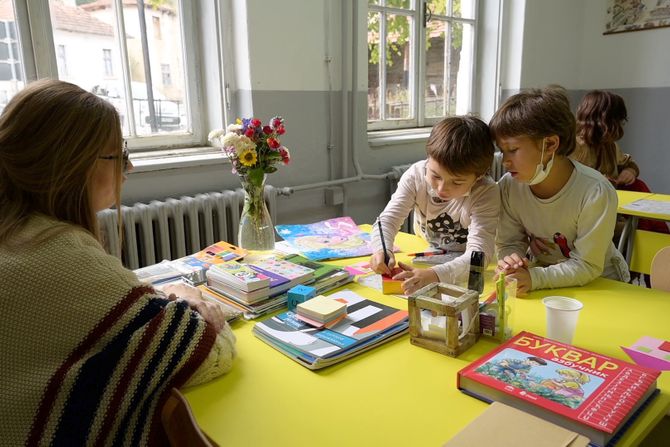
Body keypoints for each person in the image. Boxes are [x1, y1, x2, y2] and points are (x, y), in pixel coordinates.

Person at [0, 79, 236, 445]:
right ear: (72, 164)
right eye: (119, 155)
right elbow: (209, 353)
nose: (130, 167)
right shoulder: (60, 253)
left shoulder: (15, 234)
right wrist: (189, 298)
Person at [491, 87, 630, 297]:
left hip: (601, 287)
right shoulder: (509, 186)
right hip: (547, 283)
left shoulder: (595, 191)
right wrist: (511, 263)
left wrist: (534, 278)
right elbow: (510, 242)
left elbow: (587, 265)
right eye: (502, 151)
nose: (505, 160)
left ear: (550, 144)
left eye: (513, 149)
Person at [370, 116, 500, 295]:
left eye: (457, 182)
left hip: (466, 269)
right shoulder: (415, 175)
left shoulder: (486, 192)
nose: (441, 189)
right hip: (428, 254)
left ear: (479, 176)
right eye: (435, 176)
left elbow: (479, 256)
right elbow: (388, 220)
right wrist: (381, 250)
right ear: (428, 158)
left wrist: (434, 275)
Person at [572, 90, 639, 187]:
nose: (621, 125)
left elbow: (628, 163)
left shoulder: (609, 145)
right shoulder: (574, 146)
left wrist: (630, 171)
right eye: (618, 121)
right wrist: (598, 180)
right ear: (604, 123)